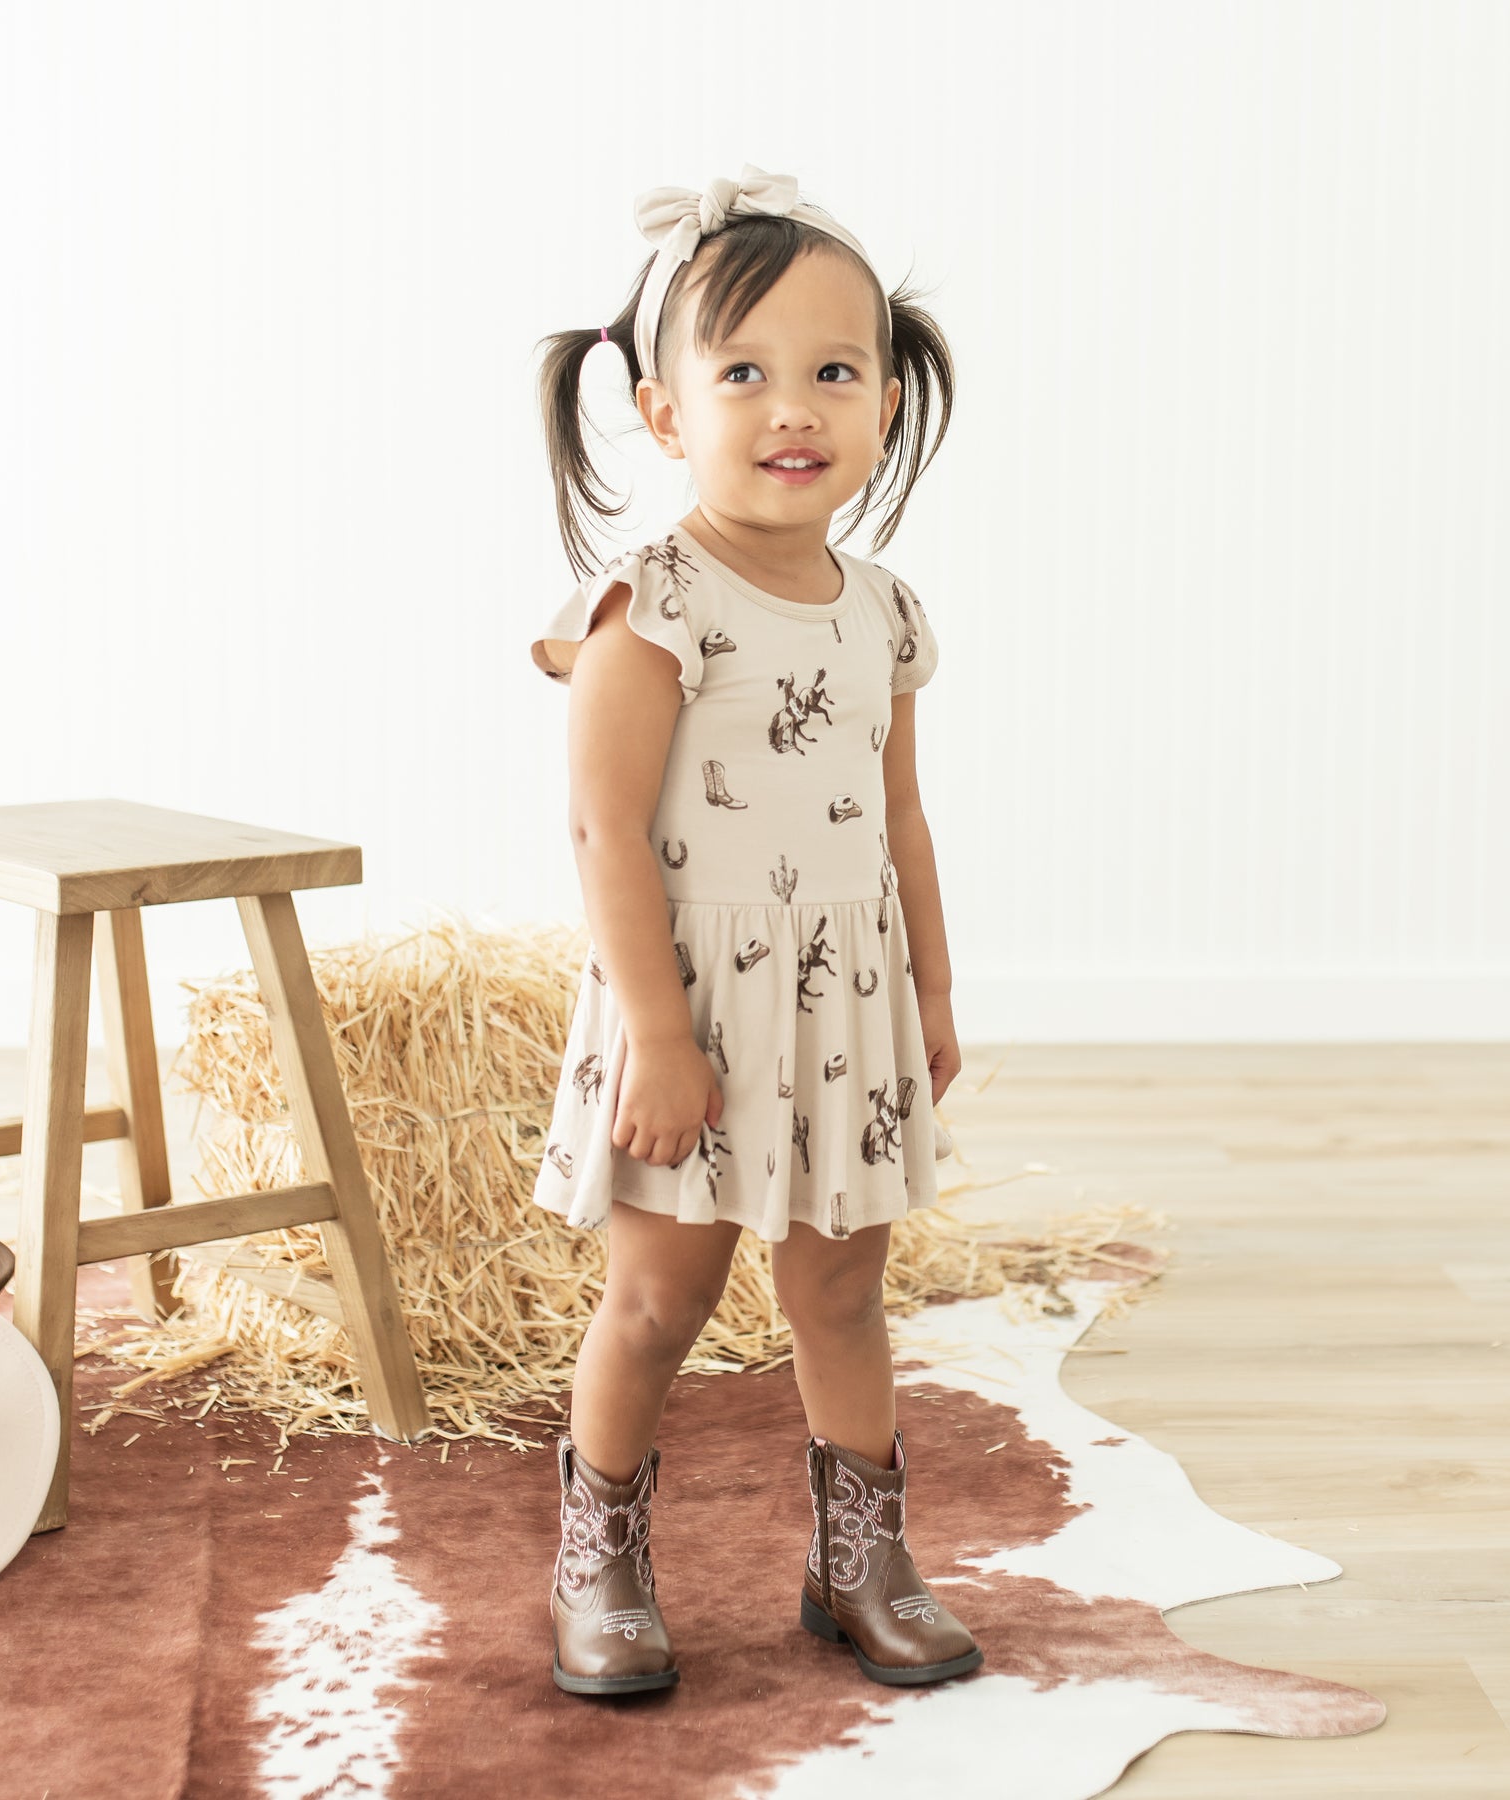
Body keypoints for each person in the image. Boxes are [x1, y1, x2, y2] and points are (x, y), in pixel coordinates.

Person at [527, 163, 981, 1698]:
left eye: (835, 373)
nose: (795, 408)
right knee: (659, 1297)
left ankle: (861, 1559)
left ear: (884, 404)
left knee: (842, 1289)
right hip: (697, 1008)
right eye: (745, 374)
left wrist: (926, 985)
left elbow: (898, 815)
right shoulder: (651, 608)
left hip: (841, 999)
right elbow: (604, 833)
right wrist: (656, 1032)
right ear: (664, 413)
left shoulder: (885, 610)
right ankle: (600, 1558)